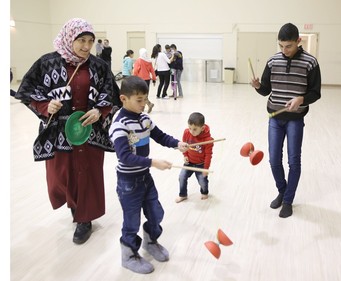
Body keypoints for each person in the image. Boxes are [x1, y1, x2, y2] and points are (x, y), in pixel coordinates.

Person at [14, 18, 120, 244]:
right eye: (81, 40)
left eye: (90, 41)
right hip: (58, 130)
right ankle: (74, 203)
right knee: (62, 174)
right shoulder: (47, 63)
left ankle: (85, 218)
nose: (86, 46)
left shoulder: (99, 66)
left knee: (88, 172)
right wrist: (45, 105)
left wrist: (100, 111)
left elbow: (111, 94)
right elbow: (27, 90)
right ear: (68, 38)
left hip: (87, 130)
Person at [109, 76, 188, 274]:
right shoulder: (119, 125)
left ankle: (150, 241)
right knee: (131, 221)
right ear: (123, 99)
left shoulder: (144, 119)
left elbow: (160, 136)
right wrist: (153, 162)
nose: (144, 104)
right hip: (128, 182)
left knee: (156, 213)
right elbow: (125, 157)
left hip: (145, 177)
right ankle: (128, 255)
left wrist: (177, 144)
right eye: (139, 100)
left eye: (145, 99)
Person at [250, 23, 321, 218]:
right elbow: (266, 90)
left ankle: (288, 200)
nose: (284, 50)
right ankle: (282, 191)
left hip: (295, 119)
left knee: (294, 161)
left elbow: (316, 92)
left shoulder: (310, 62)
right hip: (275, 116)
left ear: (298, 41)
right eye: (281, 46)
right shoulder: (273, 61)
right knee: (274, 160)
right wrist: (258, 86)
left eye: (288, 46)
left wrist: (301, 99)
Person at [175, 112, 213, 203]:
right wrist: (185, 156)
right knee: (182, 177)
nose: (191, 131)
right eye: (190, 128)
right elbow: (184, 147)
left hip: (201, 164)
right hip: (189, 162)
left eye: (195, 129)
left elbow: (208, 155)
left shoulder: (208, 140)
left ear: (202, 128)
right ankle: (183, 194)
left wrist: (206, 169)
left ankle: (204, 192)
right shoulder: (186, 132)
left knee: (202, 181)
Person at [133, 48, 157, 113]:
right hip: (147, 80)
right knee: (145, 94)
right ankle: (143, 107)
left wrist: (134, 78)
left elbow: (135, 70)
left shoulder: (139, 60)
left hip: (140, 80)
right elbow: (152, 71)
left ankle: (148, 104)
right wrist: (154, 79)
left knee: (140, 94)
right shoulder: (149, 61)